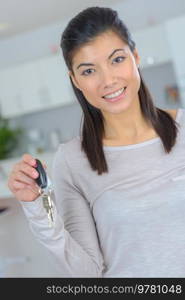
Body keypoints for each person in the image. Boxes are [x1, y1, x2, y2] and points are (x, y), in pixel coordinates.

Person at [7, 6, 185, 277]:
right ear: (75, 80)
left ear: (135, 56)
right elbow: (85, 273)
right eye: (89, 71)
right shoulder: (72, 161)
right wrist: (38, 208)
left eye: (116, 59)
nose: (108, 80)